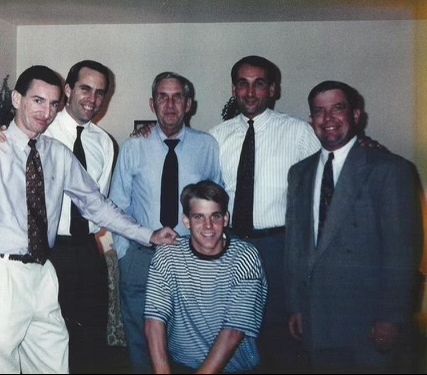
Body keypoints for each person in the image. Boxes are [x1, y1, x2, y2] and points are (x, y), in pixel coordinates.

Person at [0, 65, 178, 374]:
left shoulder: (57, 153)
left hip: (43, 272)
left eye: (54, 104)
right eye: (38, 101)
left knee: (54, 361)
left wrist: (148, 235)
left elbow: (97, 206)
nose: (47, 111)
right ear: (17, 99)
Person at [0, 59, 115, 373]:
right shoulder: (38, 127)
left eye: (100, 93)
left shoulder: (104, 143)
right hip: (44, 252)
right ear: (68, 90)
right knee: (39, 343)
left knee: (90, 339)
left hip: (86, 251)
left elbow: (98, 203)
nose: (92, 99)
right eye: (85, 88)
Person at [285, 80, 423, 373]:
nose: (328, 120)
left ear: (357, 115)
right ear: (311, 120)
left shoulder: (390, 170)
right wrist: (296, 306)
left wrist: (392, 317)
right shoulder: (300, 173)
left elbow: (402, 252)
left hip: (368, 323)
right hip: (317, 319)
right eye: (319, 112)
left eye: (338, 109)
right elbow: (296, 246)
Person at [209, 55, 320, 373]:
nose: (250, 92)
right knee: (231, 335)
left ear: (273, 89)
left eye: (259, 84)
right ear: (234, 89)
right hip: (229, 248)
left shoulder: (299, 133)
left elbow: (322, 188)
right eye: (243, 84)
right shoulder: (217, 136)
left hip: (278, 247)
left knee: (278, 335)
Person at [109, 71, 223, 373]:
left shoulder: (207, 146)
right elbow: (117, 204)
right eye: (163, 96)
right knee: (142, 343)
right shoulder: (133, 147)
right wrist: (125, 254)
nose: (170, 104)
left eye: (177, 97)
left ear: (189, 105)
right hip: (142, 259)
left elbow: (218, 202)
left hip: (191, 259)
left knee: (189, 342)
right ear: (152, 104)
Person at [144, 180, 268, 374]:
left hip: (236, 369)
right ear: (187, 221)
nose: (208, 226)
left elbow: (234, 330)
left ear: (225, 218)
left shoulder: (245, 257)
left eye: (215, 216)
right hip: (182, 366)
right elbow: (154, 319)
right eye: (199, 217)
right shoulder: (168, 255)